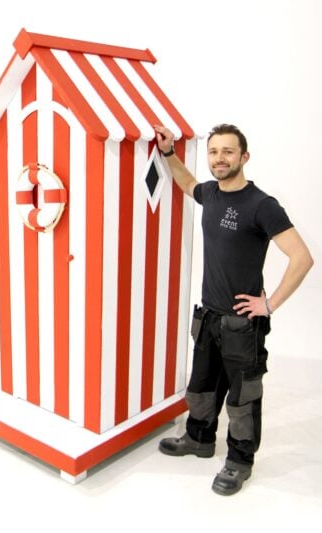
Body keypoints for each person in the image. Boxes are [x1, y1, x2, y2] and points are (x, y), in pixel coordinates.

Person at [155, 123, 314, 496]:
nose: (219, 158)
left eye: (228, 151)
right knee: (201, 387)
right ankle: (199, 439)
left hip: (243, 326)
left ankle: (240, 462)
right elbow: (186, 181)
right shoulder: (210, 194)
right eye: (214, 152)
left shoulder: (261, 205)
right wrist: (169, 153)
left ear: (244, 157)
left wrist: (269, 304)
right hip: (209, 317)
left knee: (243, 399)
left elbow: (302, 257)